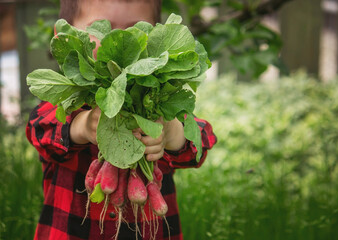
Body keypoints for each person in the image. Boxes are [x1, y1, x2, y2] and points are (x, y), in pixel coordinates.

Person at [25, 0, 217, 239]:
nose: (116, 39)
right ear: (66, 35)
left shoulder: (158, 108)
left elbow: (201, 140)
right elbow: (39, 129)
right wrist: (83, 126)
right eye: (99, 28)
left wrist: (170, 133)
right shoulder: (69, 102)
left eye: (134, 28)